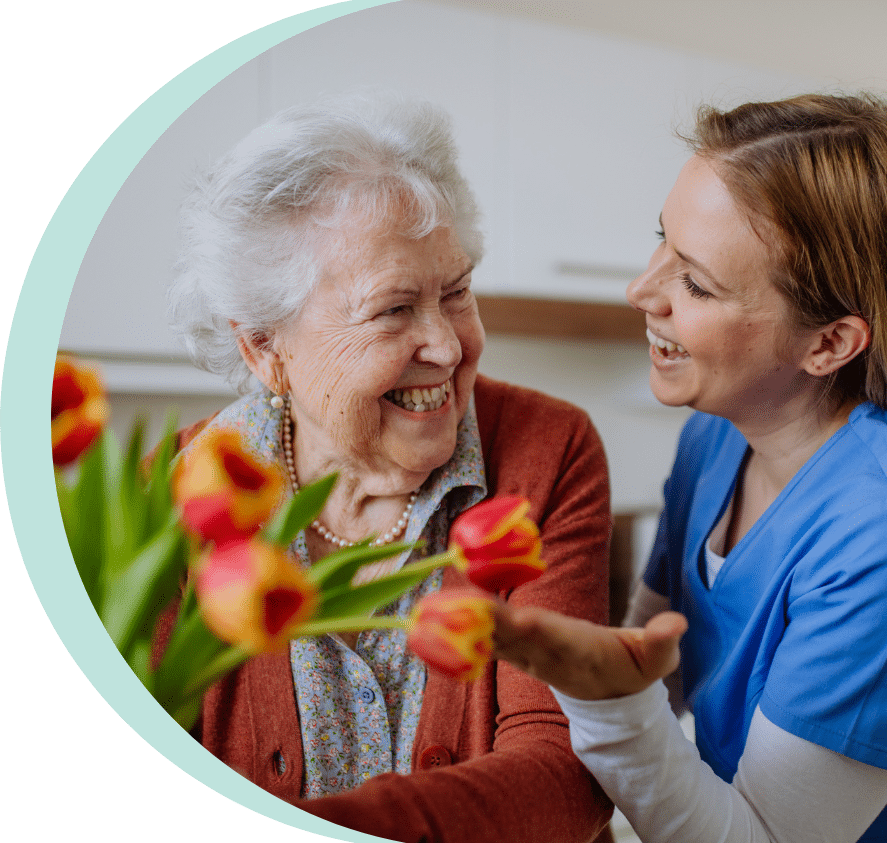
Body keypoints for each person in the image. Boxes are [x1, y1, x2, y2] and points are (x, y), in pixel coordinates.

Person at [492, 93, 887, 843]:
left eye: (696, 285)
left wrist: (606, 701)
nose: (641, 291)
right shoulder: (717, 434)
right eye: (660, 242)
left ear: (829, 343)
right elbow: (650, 662)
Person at [163, 93, 615, 843]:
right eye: (392, 309)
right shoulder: (174, 494)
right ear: (264, 349)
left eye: (457, 292)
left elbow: (567, 768)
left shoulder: (547, 449)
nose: (446, 345)